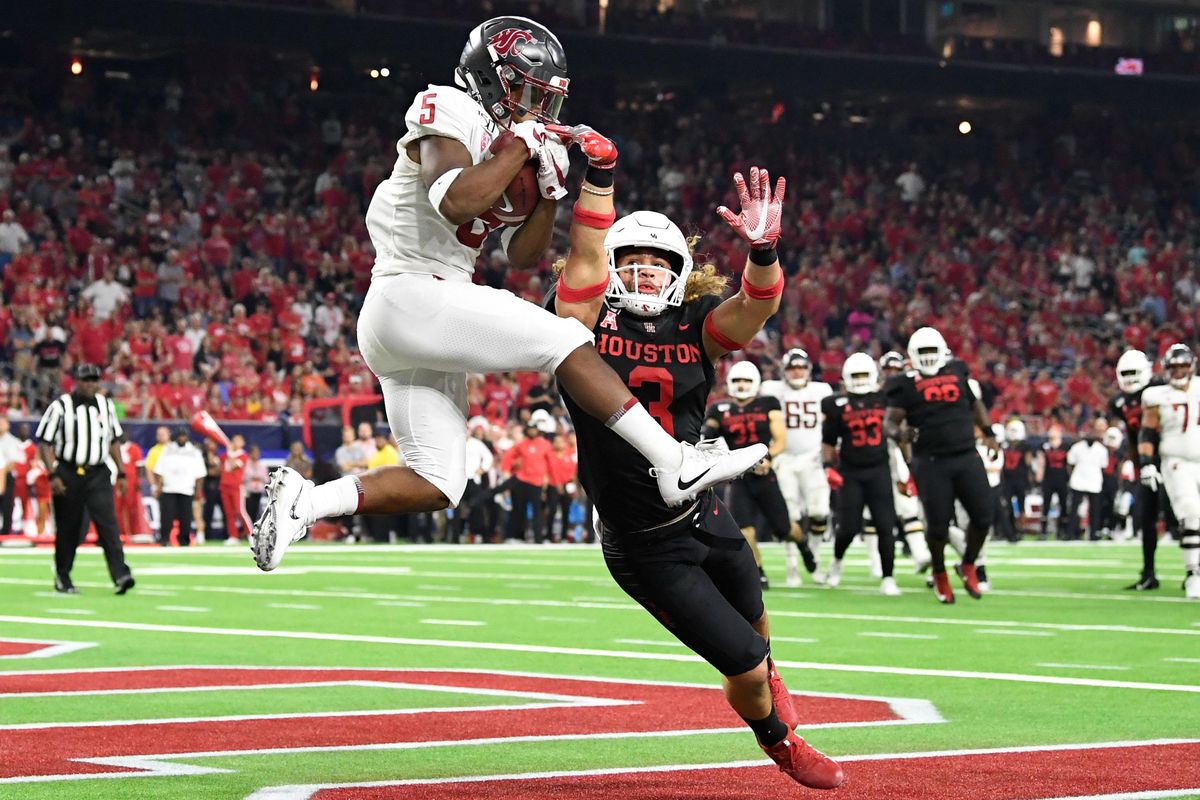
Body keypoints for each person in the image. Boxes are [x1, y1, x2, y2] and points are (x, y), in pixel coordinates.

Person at [251, 16, 764, 572]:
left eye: (547, 99)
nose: (539, 109)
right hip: (410, 290)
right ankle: (671, 461)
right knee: (566, 339)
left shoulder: (528, 141)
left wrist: (548, 190)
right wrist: (518, 148)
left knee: (438, 479)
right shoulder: (450, 107)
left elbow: (522, 255)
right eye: (527, 92)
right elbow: (455, 201)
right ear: (492, 81)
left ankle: (309, 500)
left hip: (422, 311)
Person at [547, 159, 842, 790]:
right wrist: (597, 194)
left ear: (680, 270)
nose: (642, 269)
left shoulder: (693, 324)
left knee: (757, 616)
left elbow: (755, 305)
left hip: (703, 510)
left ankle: (769, 675)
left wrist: (762, 251)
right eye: (629, 259)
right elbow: (579, 273)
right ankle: (778, 741)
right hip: (643, 544)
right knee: (743, 662)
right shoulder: (579, 326)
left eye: (656, 260)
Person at [884, 327, 996, 604]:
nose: (929, 357)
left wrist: (989, 432)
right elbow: (890, 422)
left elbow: (974, 403)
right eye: (923, 352)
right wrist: (900, 434)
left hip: (966, 454)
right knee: (937, 528)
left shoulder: (957, 371)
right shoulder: (904, 384)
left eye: (932, 351)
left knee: (983, 517)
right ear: (912, 355)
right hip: (931, 462)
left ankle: (968, 563)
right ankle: (939, 572)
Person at [34, 363, 134, 594]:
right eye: (86, 380)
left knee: (108, 524)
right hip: (70, 472)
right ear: (76, 382)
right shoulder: (60, 407)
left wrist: (121, 471)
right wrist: (52, 474)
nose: (90, 384)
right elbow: (45, 443)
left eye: (94, 380)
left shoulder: (105, 405)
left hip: (98, 472)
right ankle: (63, 575)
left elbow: (113, 440)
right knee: (70, 528)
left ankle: (121, 574)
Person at [704, 361, 791, 589]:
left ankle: (802, 545)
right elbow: (706, 437)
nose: (742, 385)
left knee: (784, 529)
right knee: (745, 528)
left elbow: (781, 439)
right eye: (737, 381)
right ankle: (759, 571)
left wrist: (767, 457)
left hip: (764, 472)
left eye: (746, 381)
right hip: (741, 476)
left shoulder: (768, 403)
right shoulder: (719, 409)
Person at [820, 353, 900, 595]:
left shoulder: (884, 399)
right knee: (848, 527)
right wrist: (828, 467)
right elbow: (828, 442)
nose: (860, 380)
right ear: (846, 378)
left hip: (879, 469)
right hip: (851, 472)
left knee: (886, 525)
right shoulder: (835, 405)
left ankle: (888, 576)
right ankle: (836, 562)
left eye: (864, 375)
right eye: (855, 376)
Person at [760, 349, 830, 587]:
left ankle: (815, 556)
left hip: (813, 458)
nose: (797, 371)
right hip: (785, 459)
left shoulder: (822, 391)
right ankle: (792, 565)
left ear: (809, 369)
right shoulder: (772, 390)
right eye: (792, 368)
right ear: (784, 371)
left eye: (801, 367)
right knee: (789, 515)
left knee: (820, 511)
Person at [1135, 343, 1200, 599]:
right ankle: (1194, 573)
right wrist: (1146, 462)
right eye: (1174, 367)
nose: (1179, 371)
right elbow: (1148, 431)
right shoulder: (1155, 395)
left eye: (1183, 366)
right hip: (1176, 460)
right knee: (1191, 514)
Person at [1107, 349, 1174, 589]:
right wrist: (1139, 464)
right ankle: (1148, 572)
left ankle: (1193, 571)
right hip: (1146, 464)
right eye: (1125, 373)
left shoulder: (1162, 390)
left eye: (1134, 372)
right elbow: (1135, 437)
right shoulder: (1119, 402)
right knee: (1146, 517)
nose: (1130, 377)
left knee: (1185, 517)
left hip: (1172, 458)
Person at [875, 351, 931, 573]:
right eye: (888, 370)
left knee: (909, 506)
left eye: (895, 370)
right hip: (873, 455)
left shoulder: (905, 393)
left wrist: (908, 460)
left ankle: (920, 553)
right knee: (875, 511)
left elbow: (905, 430)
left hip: (897, 451)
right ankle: (876, 563)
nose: (891, 374)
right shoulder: (874, 394)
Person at [151, 427, 206, 546]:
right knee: (166, 516)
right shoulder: (167, 450)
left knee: (186, 518)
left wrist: (198, 490)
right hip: (168, 488)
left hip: (186, 488)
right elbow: (158, 471)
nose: (182, 438)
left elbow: (200, 474)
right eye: (180, 436)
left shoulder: (194, 452)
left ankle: (184, 541)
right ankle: (164, 539)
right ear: (176, 437)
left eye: (184, 436)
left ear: (187, 437)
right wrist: (158, 487)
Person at [1065, 420, 1108, 541]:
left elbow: (1103, 466)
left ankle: (1093, 533)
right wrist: (1072, 476)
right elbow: (1070, 463)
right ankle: (1071, 533)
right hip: (1078, 480)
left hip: (1094, 481)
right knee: (1074, 509)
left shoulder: (1101, 449)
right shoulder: (1077, 447)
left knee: (1095, 510)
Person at [999, 418, 1032, 542]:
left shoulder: (1025, 446)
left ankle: (1021, 529)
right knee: (1007, 505)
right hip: (1008, 479)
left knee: (1021, 505)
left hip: (1020, 478)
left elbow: (1028, 462)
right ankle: (1010, 528)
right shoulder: (1005, 445)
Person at [1036, 424, 1071, 540]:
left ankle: (1062, 530)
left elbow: (1069, 464)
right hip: (1048, 479)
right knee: (1046, 505)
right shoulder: (1044, 446)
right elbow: (1041, 462)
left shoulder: (1065, 446)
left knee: (1063, 505)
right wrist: (1039, 476)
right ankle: (1043, 530)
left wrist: (1070, 477)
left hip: (1062, 478)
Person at [220, 434, 253, 544]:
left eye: (238, 440)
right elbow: (218, 463)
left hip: (236, 487)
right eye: (234, 440)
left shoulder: (243, 455)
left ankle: (251, 533)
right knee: (229, 513)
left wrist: (229, 452)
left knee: (240, 511)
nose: (235, 443)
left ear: (243, 443)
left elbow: (234, 465)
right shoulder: (226, 454)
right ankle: (233, 536)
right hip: (225, 486)